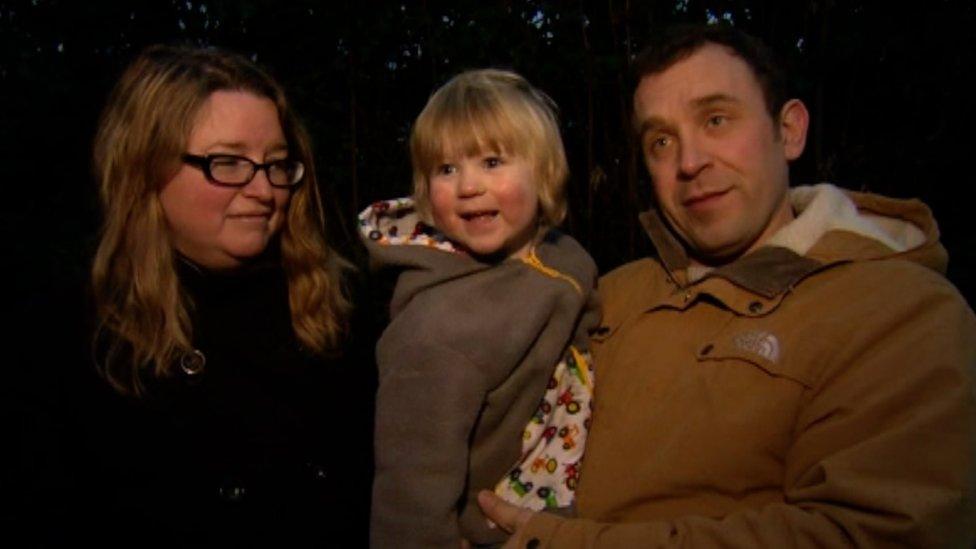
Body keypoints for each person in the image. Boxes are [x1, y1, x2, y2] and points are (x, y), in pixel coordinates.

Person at [477, 24, 976, 547]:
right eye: (661, 141)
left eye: (716, 119)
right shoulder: (610, 293)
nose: (690, 163)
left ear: (789, 131)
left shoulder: (900, 311)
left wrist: (562, 543)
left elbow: (874, 533)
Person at [17, 44, 373, 546]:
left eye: (276, 164)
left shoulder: (343, 310)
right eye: (227, 163)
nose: (264, 190)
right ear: (145, 168)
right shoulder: (67, 338)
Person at [361, 69, 601, 548]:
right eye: (446, 169)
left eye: (492, 161)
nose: (468, 185)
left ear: (545, 173)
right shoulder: (435, 330)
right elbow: (409, 491)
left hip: (576, 509)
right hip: (490, 531)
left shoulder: (562, 256)